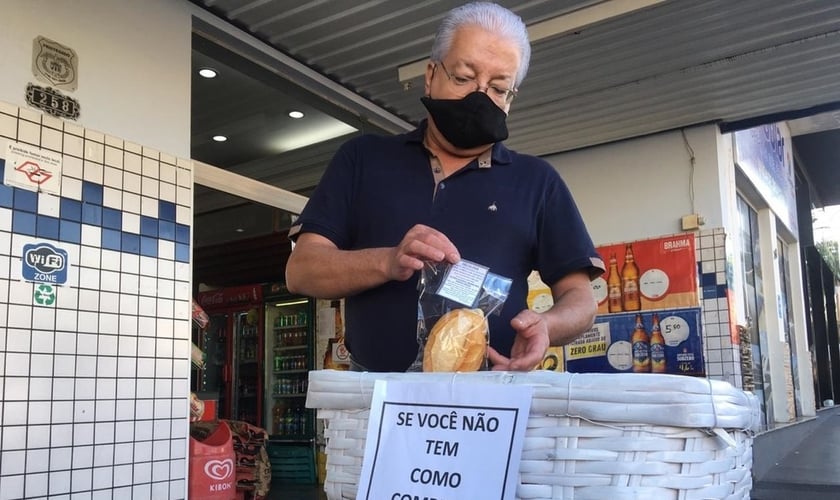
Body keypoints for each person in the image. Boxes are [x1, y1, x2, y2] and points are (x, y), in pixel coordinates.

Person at [286, 1, 604, 372]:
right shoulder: (364, 159)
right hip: (373, 402)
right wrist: (388, 261)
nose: (479, 97)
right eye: (463, 77)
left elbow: (581, 299)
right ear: (431, 74)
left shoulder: (537, 181)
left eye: (499, 88)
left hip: (486, 408)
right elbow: (301, 270)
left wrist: (547, 325)